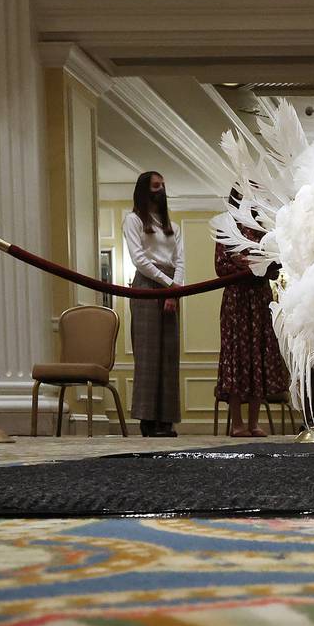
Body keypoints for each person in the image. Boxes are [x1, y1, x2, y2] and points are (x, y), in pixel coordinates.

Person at [214, 188, 287, 436]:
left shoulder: (264, 229)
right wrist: (237, 264)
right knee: (237, 357)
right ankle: (237, 424)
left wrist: (259, 263)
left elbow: (276, 268)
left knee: (258, 356)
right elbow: (220, 268)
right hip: (236, 300)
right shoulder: (225, 228)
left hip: (259, 299)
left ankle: (253, 423)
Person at [123, 171, 185, 437]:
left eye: (163, 185)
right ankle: (148, 420)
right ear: (144, 190)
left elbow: (180, 261)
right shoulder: (133, 220)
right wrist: (165, 283)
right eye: (155, 186)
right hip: (147, 285)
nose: (160, 190)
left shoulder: (174, 227)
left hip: (171, 287)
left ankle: (166, 420)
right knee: (148, 354)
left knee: (169, 354)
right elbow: (139, 258)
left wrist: (175, 290)